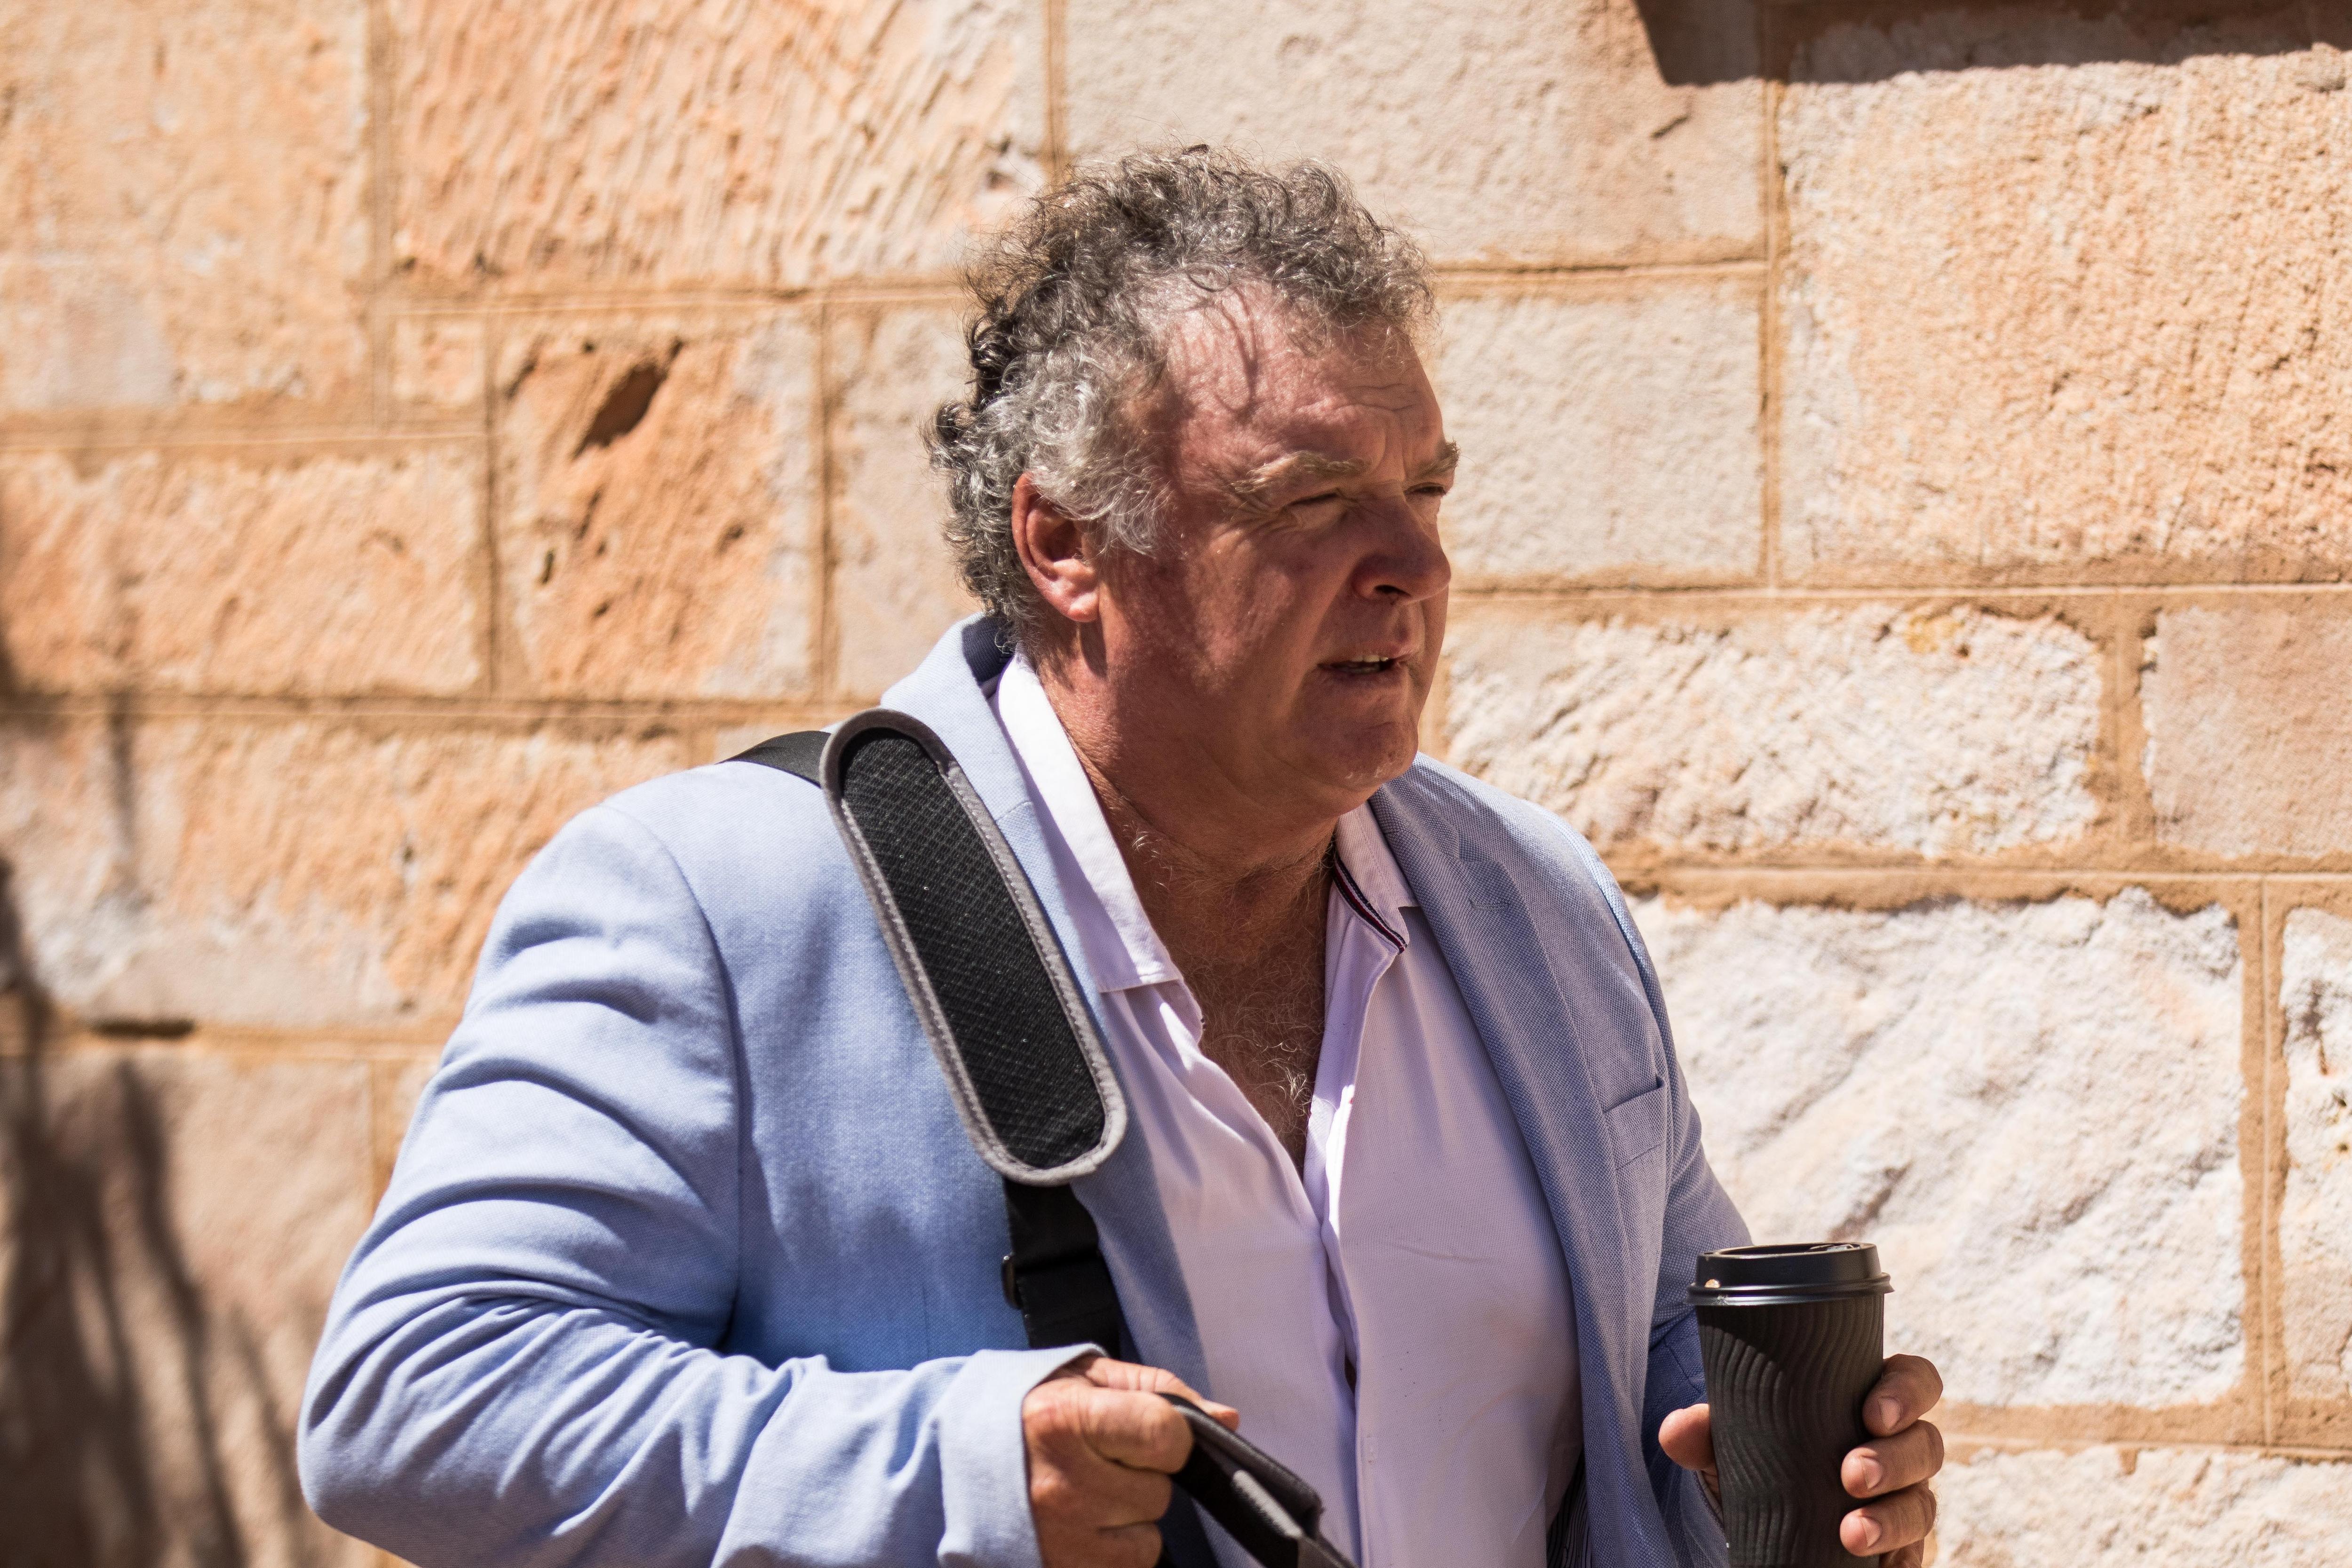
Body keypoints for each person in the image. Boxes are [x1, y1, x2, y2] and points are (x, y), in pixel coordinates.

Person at [300, 149, 1943, 1568]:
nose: (1414, 564)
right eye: (1312, 500)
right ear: (1066, 544)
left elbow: (1648, 1371)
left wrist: (1776, 1475)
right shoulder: (724, 902)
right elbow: (415, 1400)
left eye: (1427, 489)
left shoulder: (1537, 910)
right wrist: (952, 1474)